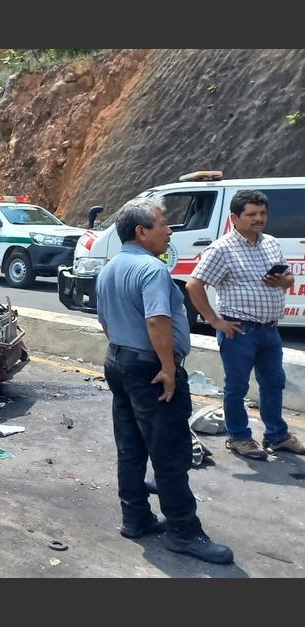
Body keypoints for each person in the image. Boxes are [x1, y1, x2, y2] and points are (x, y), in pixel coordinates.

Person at [96, 196, 233, 565]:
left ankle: (135, 517)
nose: (170, 230)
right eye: (163, 224)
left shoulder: (109, 268)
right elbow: (158, 321)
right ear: (142, 232)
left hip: (119, 361)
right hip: (150, 369)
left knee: (130, 445)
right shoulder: (152, 270)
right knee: (169, 454)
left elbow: (105, 321)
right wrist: (168, 369)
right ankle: (184, 532)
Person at [187, 189, 304, 460]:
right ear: (235, 218)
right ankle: (239, 437)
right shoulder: (222, 249)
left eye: (262, 213)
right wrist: (216, 321)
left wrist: (284, 282)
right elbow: (194, 284)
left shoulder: (271, 243)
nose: (258, 219)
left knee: (274, 383)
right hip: (240, 331)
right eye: (251, 214)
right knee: (237, 388)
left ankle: (277, 435)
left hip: (270, 329)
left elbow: (288, 279)